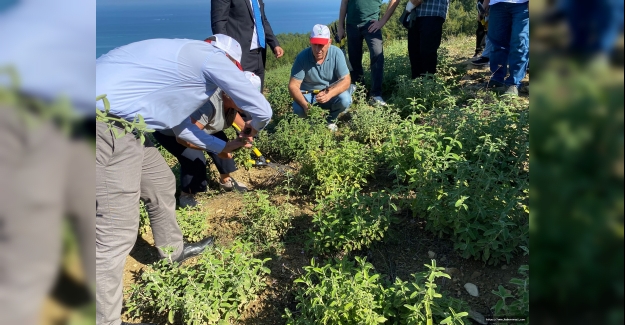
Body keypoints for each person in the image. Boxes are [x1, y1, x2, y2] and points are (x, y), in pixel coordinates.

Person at [95, 34, 272, 325]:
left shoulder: (180, 67)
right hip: (106, 125)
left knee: (161, 182)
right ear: (230, 62)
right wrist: (253, 126)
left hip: (129, 125)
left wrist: (223, 147)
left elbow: (181, 129)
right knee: (115, 232)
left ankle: (172, 252)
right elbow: (263, 110)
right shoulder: (211, 58)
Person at [152, 72, 263, 208]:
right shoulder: (208, 103)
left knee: (224, 142)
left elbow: (229, 113)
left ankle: (226, 180)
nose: (249, 103)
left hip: (200, 127)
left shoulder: (229, 99)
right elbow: (184, 137)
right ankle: (187, 195)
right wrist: (218, 148)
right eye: (246, 99)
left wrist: (244, 129)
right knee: (195, 159)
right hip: (172, 132)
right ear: (230, 92)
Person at [288, 24, 354, 132]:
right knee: (298, 109)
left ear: (329, 42)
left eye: (321, 45)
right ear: (310, 41)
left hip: (330, 93)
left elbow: (346, 80)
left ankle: (330, 119)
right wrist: (306, 106)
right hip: (308, 95)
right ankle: (311, 123)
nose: (318, 49)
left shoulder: (337, 53)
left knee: (345, 99)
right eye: (315, 44)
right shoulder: (302, 57)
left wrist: (330, 94)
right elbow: (293, 86)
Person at [337, 0, 401, 106]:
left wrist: (382, 21)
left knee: (377, 55)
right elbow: (344, 2)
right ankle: (359, 92)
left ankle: (376, 94)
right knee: (354, 59)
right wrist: (340, 27)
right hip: (351, 25)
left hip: (371, 24)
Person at [211, 0, 284, 90]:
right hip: (237, 55)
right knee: (238, 95)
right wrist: (227, 52)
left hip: (259, 55)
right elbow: (219, 23)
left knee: (257, 97)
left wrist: (274, 44)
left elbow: (262, 20)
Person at [482, 0, 529, 96]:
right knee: (497, 43)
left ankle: (514, 83)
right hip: (497, 4)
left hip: (522, 4)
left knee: (519, 42)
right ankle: (497, 78)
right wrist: (486, 2)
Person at [402, 0, 450, 78]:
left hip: (432, 11)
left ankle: (428, 85)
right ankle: (416, 85)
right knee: (414, 52)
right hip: (416, 14)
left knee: (427, 52)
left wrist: (409, 6)